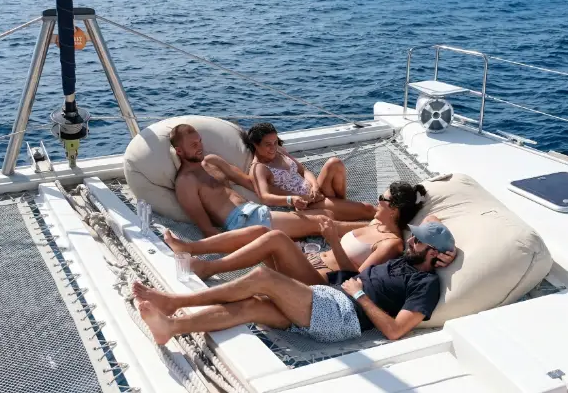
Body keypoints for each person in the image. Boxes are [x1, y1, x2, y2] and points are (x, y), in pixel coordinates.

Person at [132, 221, 457, 345]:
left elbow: (396, 331)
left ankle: (174, 303)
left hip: (342, 316)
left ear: (432, 252)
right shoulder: (407, 259)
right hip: (327, 297)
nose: (410, 239)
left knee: (263, 278)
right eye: (413, 236)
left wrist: (359, 296)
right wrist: (448, 251)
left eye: (419, 241)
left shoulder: (425, 285)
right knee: (252, 306)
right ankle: (171, 329)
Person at [164, 182, 457, 281]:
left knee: (276, 237)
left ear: (393, 210)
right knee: (260, 229)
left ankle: (207, 269)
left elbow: (355, 279)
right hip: (307, 263)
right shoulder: (375, 225)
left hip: (320, 281)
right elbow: (430, 214)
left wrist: (331, 240)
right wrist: (317, 221)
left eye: (383, 199)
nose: (377, 200)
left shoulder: (392, 244)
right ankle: (191, 250)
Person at [171, 124, 329, 238]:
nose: (200, 147)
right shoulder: (186, 182)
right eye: (193, 145)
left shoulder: (212, 161)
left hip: (256, 210)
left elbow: (250, 183)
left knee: (327, 215)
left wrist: (294, 194)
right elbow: (207, 229)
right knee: (322, 222)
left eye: (199, 141)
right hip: (241, 222)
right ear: (179, 150)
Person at [245, 123, 375, 221]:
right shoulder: (259, 168)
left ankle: (343, 207)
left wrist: (315, 186)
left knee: (334, 162)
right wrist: (292, 199)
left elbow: (304, 171)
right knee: (367, 209)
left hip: (314, 192)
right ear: (255, 145)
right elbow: (264, 197)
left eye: (275, 142)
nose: (273, 148)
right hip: (307, 204)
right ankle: (344, 208)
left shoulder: (280, 151)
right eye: (268, 144)